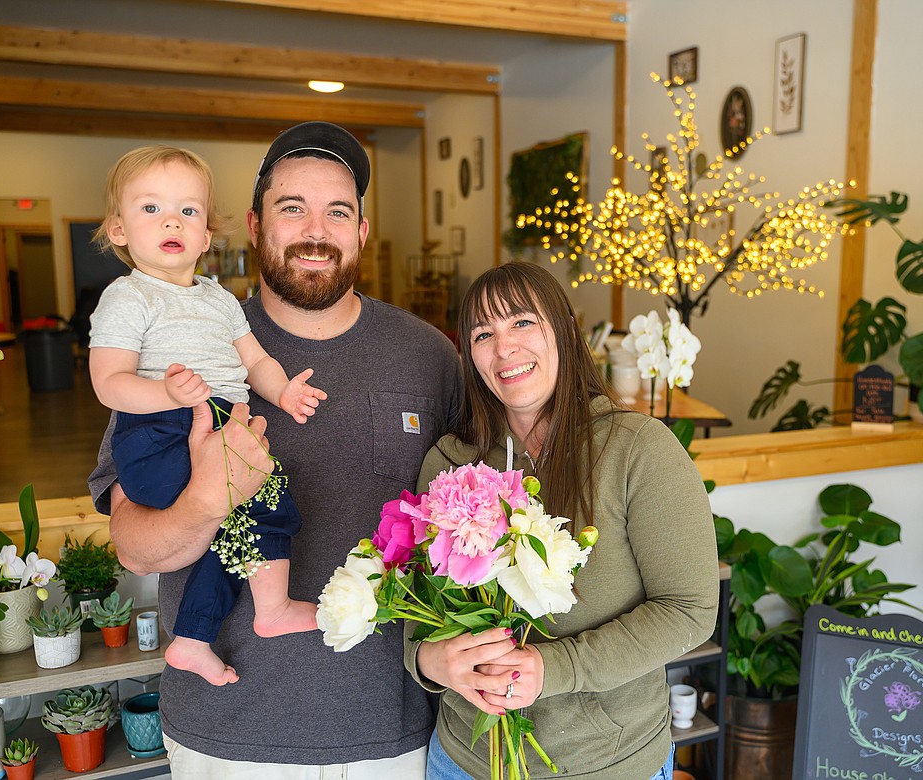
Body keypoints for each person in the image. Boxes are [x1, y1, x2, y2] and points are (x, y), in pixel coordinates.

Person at [89, 122, 463, 777]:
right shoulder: (180, 341)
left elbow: (471, 530)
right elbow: (135, 546)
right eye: (293, 208)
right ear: (255, 227)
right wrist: (207, 499)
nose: (316, 230)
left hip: (395, 733)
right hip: (227, 737)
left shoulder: (430, 357)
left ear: (362, 233)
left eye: (337, 212)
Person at [406, 262, 719, 780]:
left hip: (606, 765)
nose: (504, 348)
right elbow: (416, 613)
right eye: (484, 333)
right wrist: (429, 662)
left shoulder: (637, 449)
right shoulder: (449, 463)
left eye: (523, 322)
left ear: (567, 332)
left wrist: (555, 668)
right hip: (463, 762)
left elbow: (689, 611)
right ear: (470, 355)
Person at [88, 144, 326, 687]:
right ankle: (263, 611)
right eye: (151, 209)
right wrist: (169, 394)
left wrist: (284, 392)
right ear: (119, 229)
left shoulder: (220, 300)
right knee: (252, 510)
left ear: (206, 234)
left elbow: (256, 360)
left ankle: (200, 637)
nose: (172, 220)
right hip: (160, 431)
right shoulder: (128, 298)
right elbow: (108, 384)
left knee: (249, 523)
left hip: (222, 421)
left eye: (188, 211)